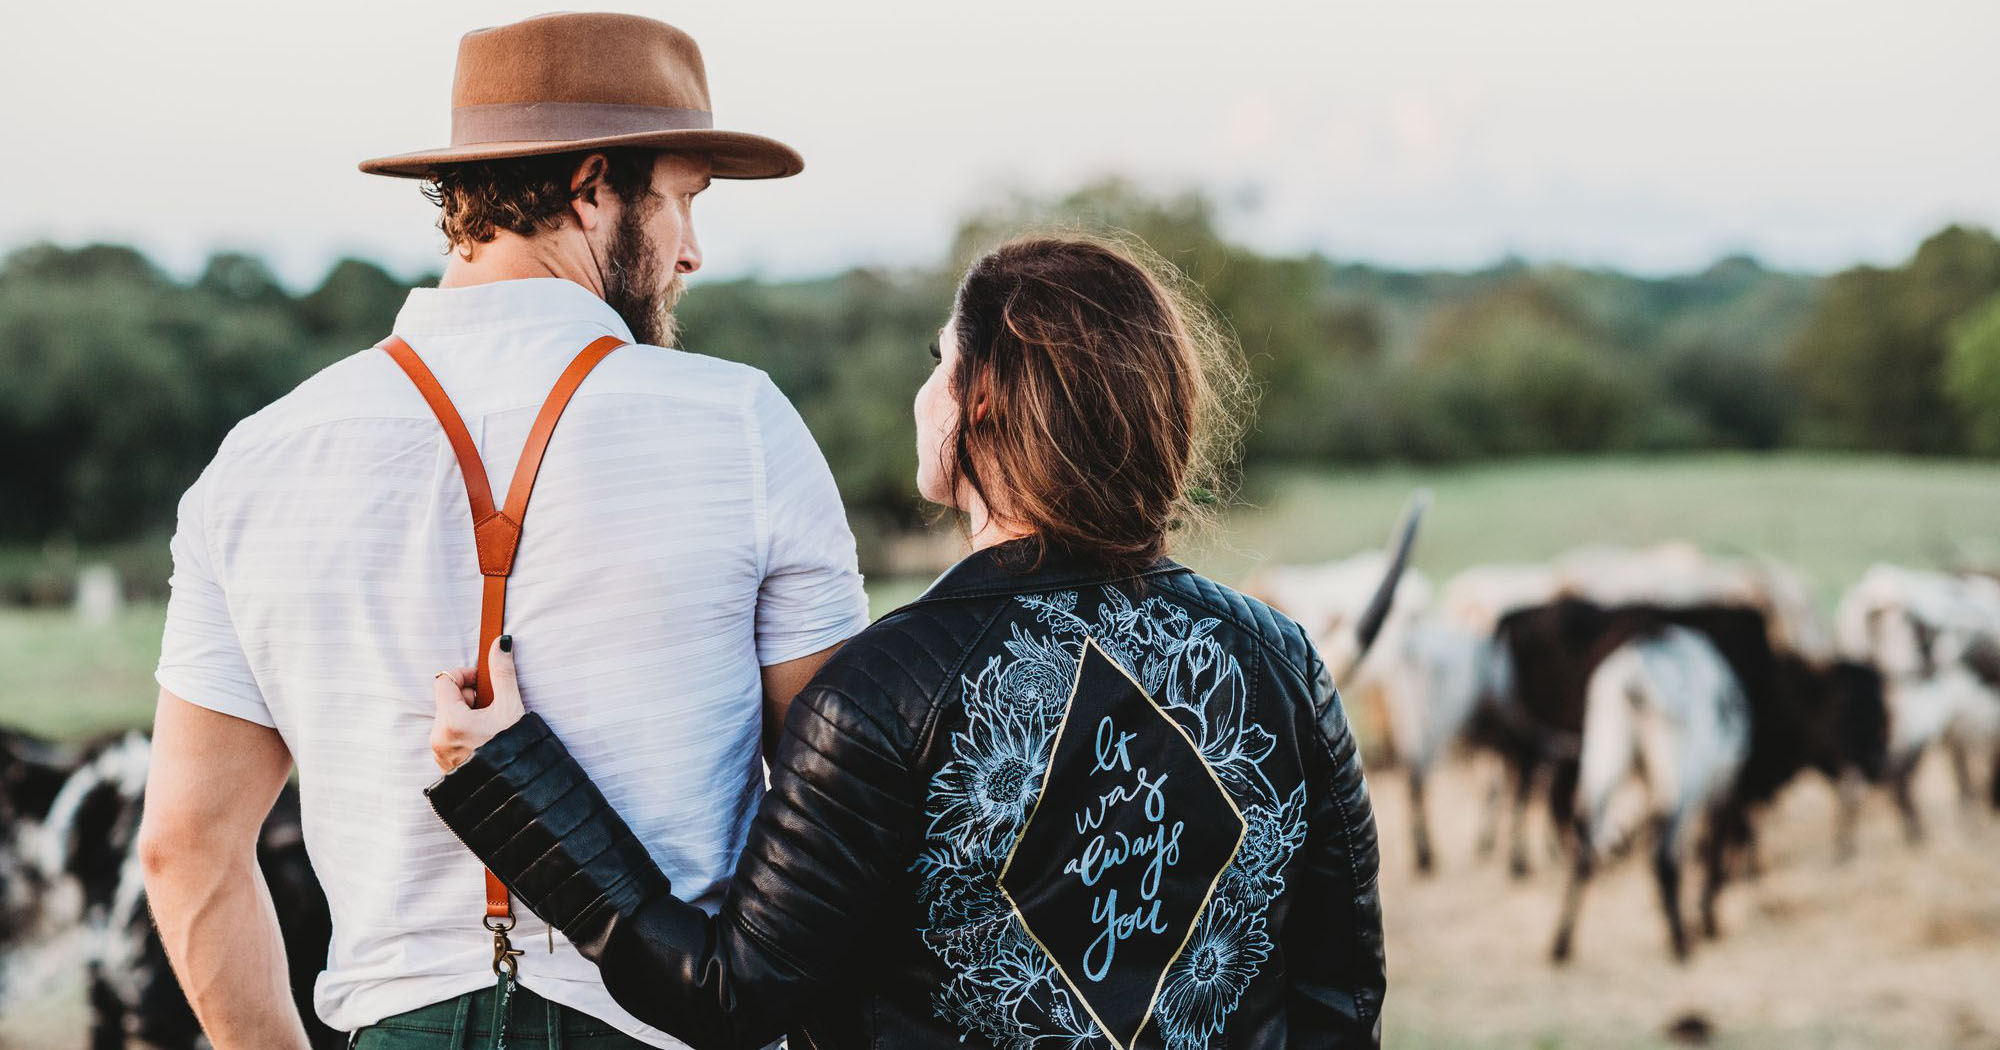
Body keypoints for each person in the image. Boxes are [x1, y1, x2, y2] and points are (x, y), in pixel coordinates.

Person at [426, 235, 1388, 1049]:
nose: (922, 389)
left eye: (940, 359)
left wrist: (514, 779)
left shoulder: (881, 691)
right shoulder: (1282, 661)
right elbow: (1341, 995)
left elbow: (728, 995)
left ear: (981, 404)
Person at [139, 14, 869, 1049]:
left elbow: (184, 849)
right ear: (591, 188)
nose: (692, 253)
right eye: (679, 203)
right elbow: (837, 802)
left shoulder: (259, 457)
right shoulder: (739, 424)